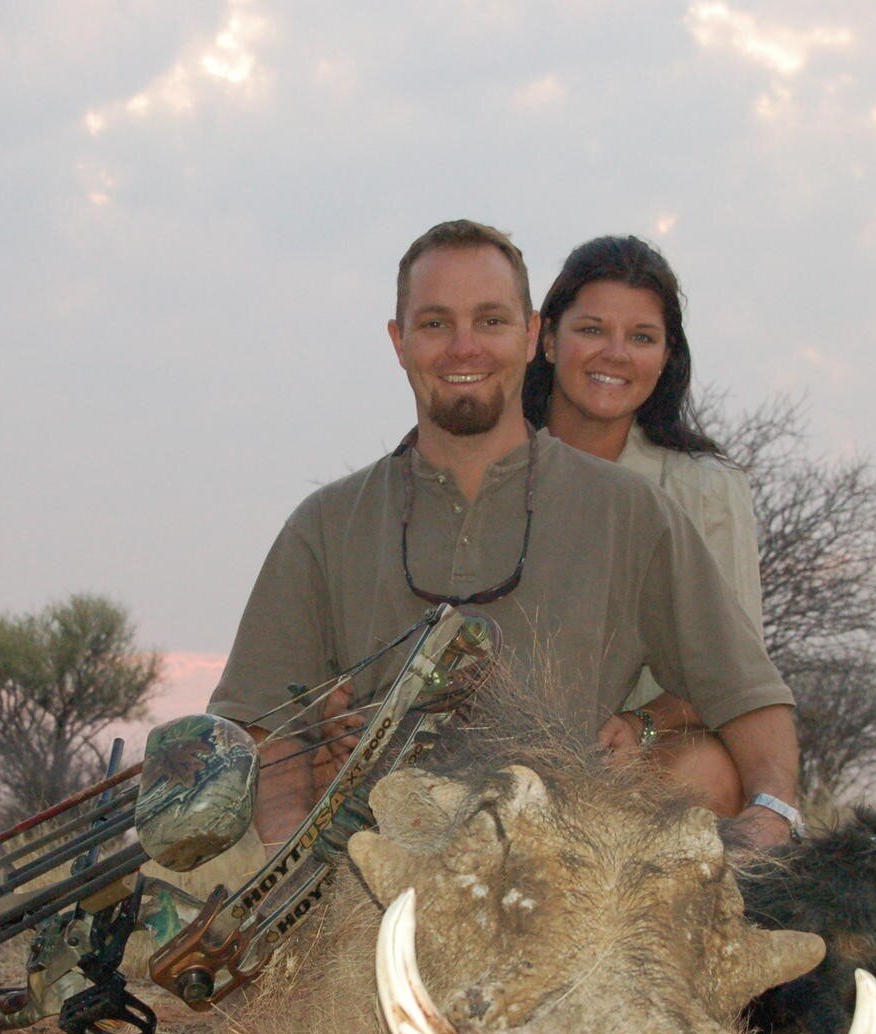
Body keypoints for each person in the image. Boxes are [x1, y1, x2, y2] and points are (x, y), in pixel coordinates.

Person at [206, 219, 801, 847]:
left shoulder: (631, 511)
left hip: (575, 878)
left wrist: (773, 813)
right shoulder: (325, 524)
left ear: (530, 334)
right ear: (398, 341)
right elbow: (259, 723)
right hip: (375, 879)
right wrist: (288, 852)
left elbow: (747, 692)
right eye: (435, 323)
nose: (465, 348)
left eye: (491, 321)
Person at [523, 234, 764, 816]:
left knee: (703, 770)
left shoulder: (706, 487)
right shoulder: (489, 472)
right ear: (547, 339)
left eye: (642, 337)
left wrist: (641, 726)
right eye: (591, 330)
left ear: (665, 357)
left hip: (630, 764)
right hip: (499, 753)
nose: (616, 354)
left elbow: (737, 673)